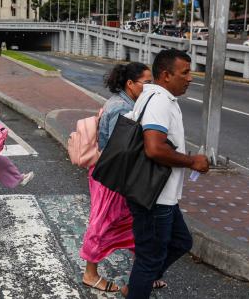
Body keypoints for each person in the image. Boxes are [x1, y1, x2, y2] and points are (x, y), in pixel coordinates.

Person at [122, 49, 210, 299]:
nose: (190, 78)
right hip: (154, 197)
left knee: (181, 242)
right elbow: (154, 147)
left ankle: (141, 282)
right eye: (185, 73)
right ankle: (140, 284)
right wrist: (192, 161)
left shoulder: (159, 97)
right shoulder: (159, 101)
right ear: (166, 75)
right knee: (149, 259)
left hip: (162, 195)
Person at [80, 62, 156, 293]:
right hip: (112, 176)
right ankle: (90, 274)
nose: (152, 87)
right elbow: (120, 148)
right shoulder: (122, 108)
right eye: (148, 83)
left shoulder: (129, 103)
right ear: (130, 84)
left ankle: (142, 275)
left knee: (132, 222)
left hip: (118, 174)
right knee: (103, 222)